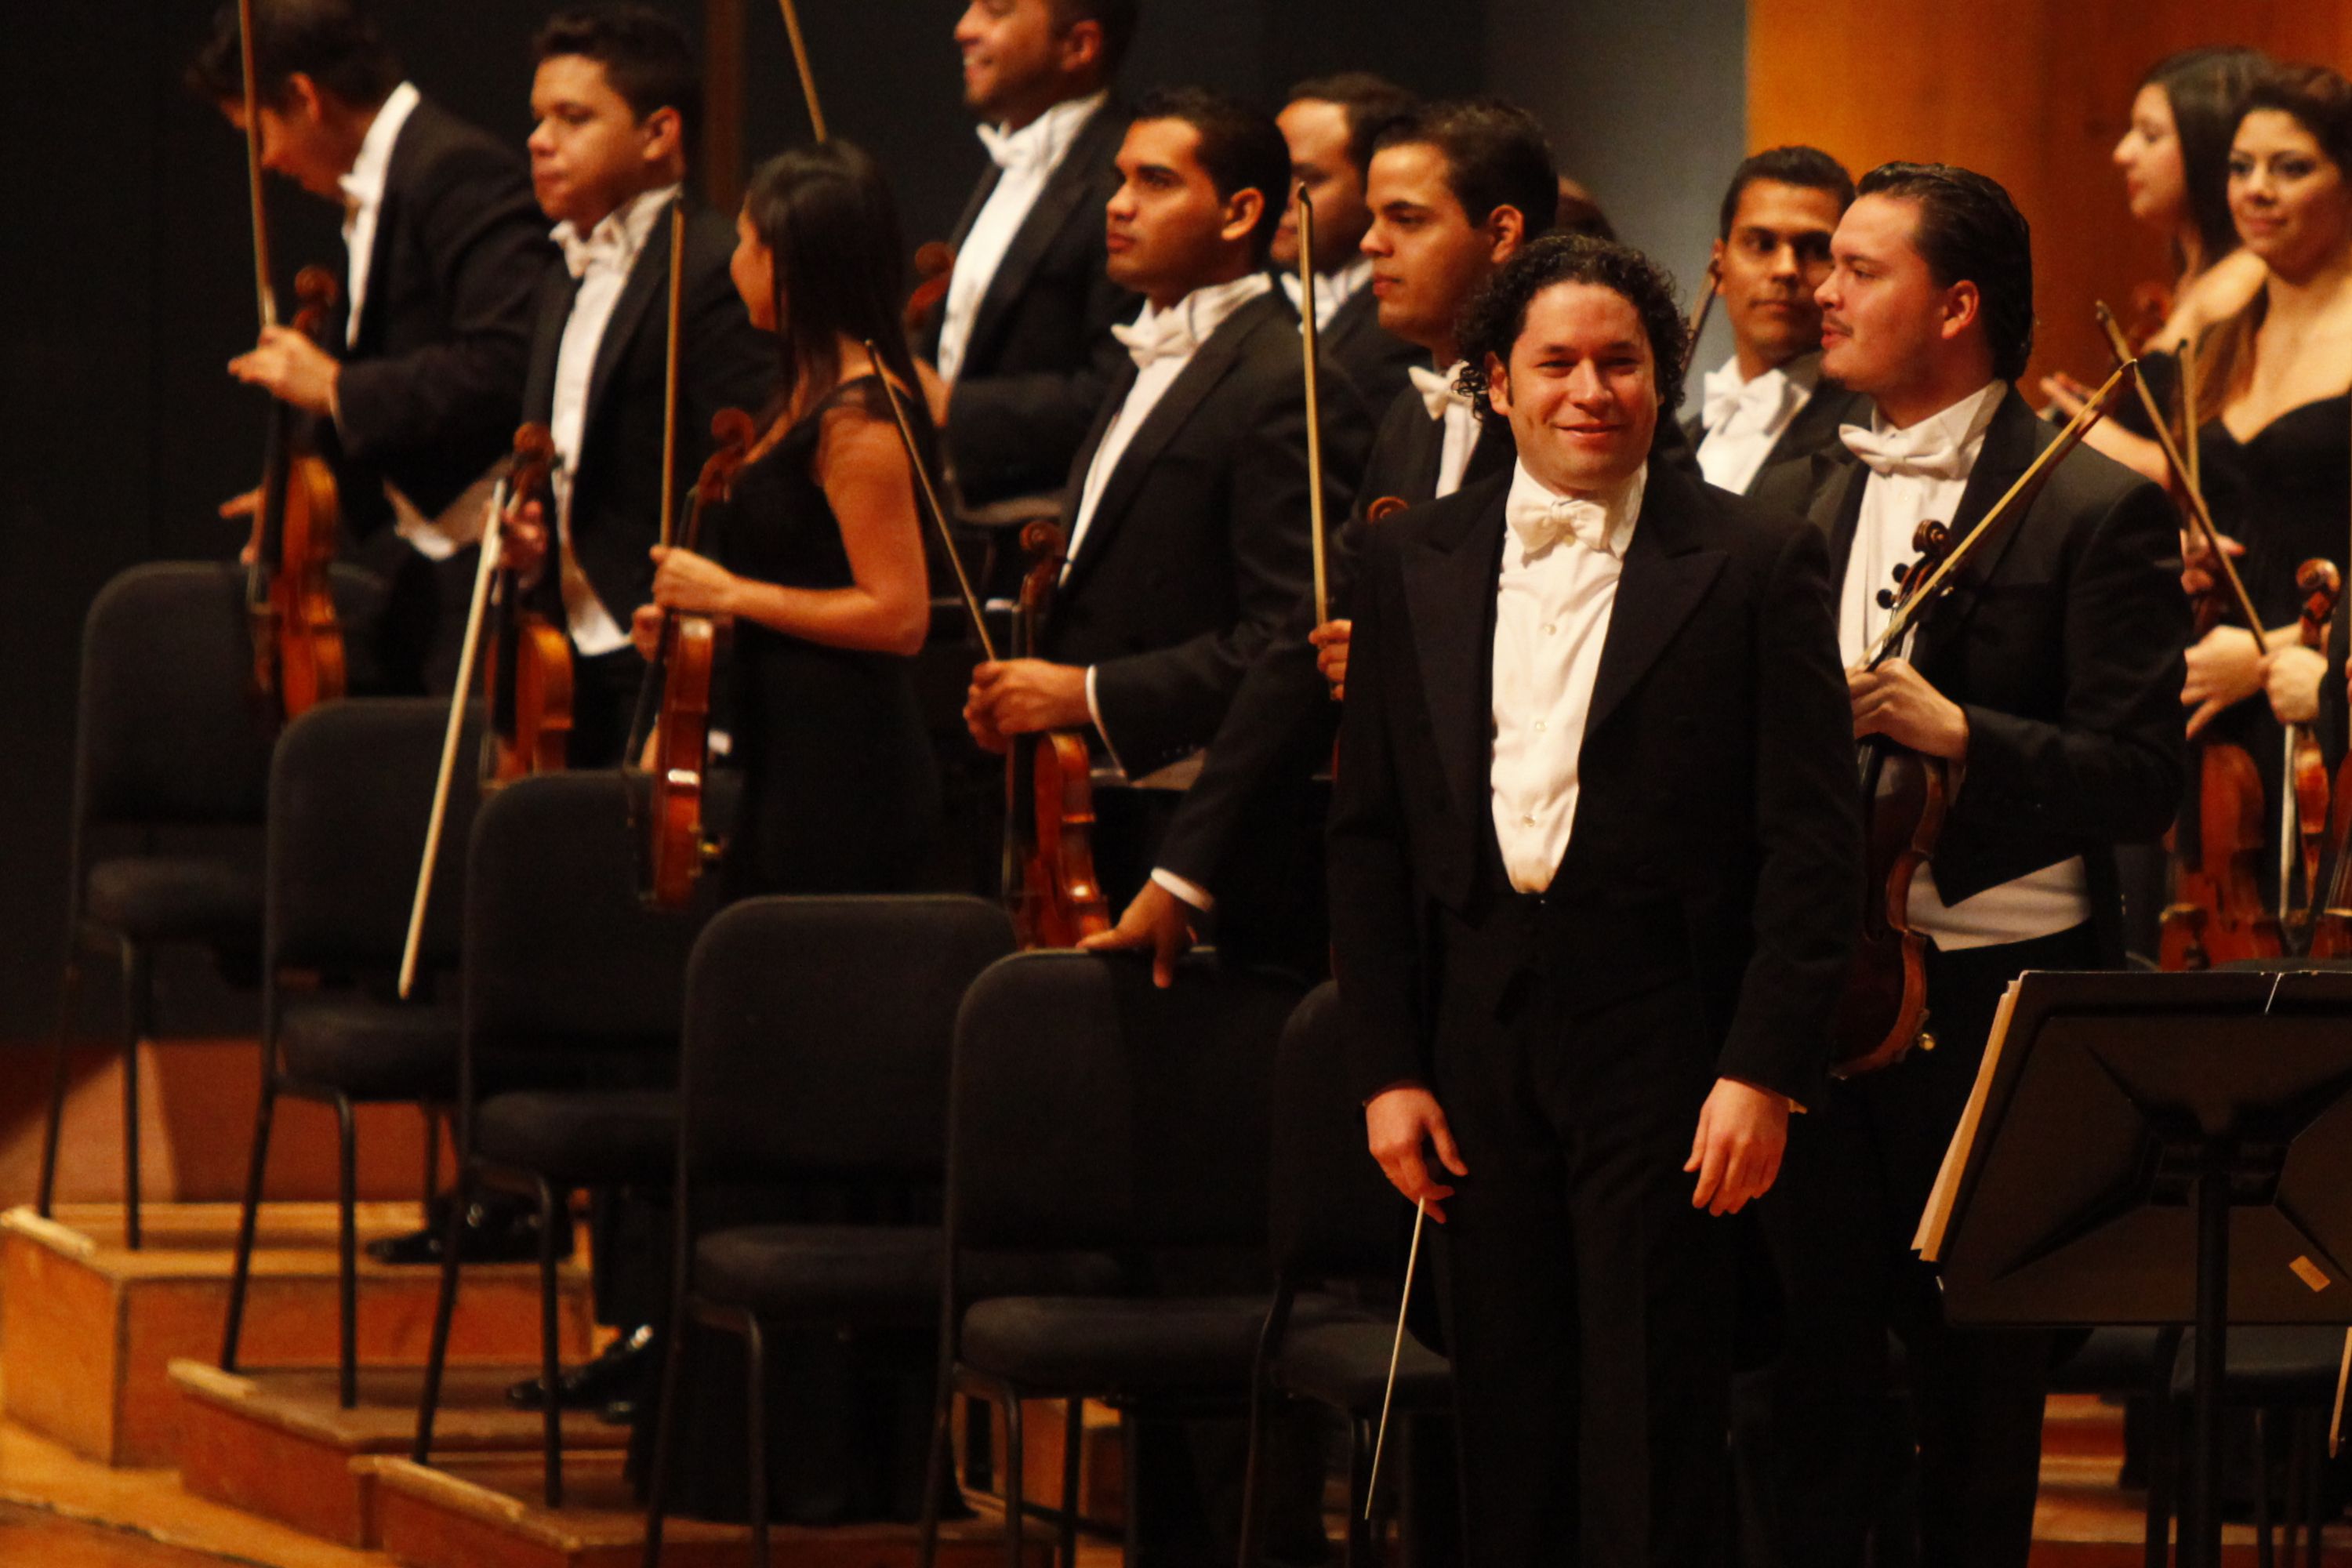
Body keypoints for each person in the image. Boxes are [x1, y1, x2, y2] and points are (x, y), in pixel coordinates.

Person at [1331, 233, 1861, 1566]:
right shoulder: (1409, 561)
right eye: (1555, 362)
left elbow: (1813, 846)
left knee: (1652, 1420)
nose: (1589, 389)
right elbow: (1370, 834)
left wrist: (1763, 1071)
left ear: (1661, 381)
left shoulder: (1755, 556)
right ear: (1496, 383)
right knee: (1501, 1415)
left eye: (1620, 362)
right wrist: (1387, 1067)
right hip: (1474, 1034)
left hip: (1665, 1040)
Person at [1744, 162, 2189, 1568]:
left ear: (1958, 305)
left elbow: (2139, 776)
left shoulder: (2091, 507)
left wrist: (1966, 735)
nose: (1822, 289)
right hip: (1821, 984)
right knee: (1811, 1372)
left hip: (1995, 996)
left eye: (1859, 268)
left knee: (1976, 1385)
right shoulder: (1801, 478)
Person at [1085, 96, 1557, 979]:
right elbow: (1295, 651)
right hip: (1413, 898)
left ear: (1501, 232)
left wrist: (1403, 653)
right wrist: (1184, 873)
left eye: (1405, 220)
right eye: (1373, 216)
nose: (1371, 242)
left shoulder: (1572, 426)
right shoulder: (1410, 427)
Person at [961, 86, 1370, 905]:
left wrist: (1083, 691)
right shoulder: (1144, 354)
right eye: (1119, 181)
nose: (1117, 207)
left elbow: (1282, 639)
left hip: (1194, 829)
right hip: (1094, 805)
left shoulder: (1287, 382)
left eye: (1155, 183)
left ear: (1238, 212)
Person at [190, 0, 550, 694]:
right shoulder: (392, 178)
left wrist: (333, 388)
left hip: (483, 564)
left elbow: (509, 362)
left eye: (258, 132)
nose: (265, 161)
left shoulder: (455, 170)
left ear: (304, 96)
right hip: (420, 566)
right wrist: (304, 497)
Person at [629, 142, 942, 900]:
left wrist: (728, 596)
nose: (733, 259)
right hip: (790, 752)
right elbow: (809, 580)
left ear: (788, 265)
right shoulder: (801, 393)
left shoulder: (861, 418)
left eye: (746, 242)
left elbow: (899, 615)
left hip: (846, 771)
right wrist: (715, 628)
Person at [501, 3, 770, 770]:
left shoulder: (717, 264)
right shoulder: (563, 268)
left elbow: (749, 471)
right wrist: (535, 537)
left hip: (660, 643)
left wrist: (704, 641)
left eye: (573, 117)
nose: (539, 140)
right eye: (538, 118)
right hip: (564, 642)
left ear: (659, 133)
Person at [2179, 63, 2352, 914]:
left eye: (2292, 167)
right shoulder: (2221, 334)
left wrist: (2284, 650)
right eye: (2242, 166)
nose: (2257, 190)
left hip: (2327, 695)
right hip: (2223, 700)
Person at [927, 0, 1139, 508]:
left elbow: (1119, 390)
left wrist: (951, 406)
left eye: (996, 11)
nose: (964, 29)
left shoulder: (1127, 175)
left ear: (1079, 46)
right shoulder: (1011, 153)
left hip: (1040, 522)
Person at [2040, 46, 2272, 484]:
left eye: (2150, 136)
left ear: (2212, 147)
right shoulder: (2202, 279)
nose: (2123, 153)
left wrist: (2088, 435)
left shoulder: (2243, 283)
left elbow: (2231, 479)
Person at [1687, 146, 1869, 502]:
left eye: (1817, 249)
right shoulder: (1677, 439)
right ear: (1718, 268)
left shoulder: (1868, 434)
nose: (1786, 269)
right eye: (1761, 244)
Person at [1272, 73, 1425, 411]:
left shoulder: (1414, 322)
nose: (1279, 197)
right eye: (1275, 173)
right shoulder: (1254, 294)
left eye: (1309, 178)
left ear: (1378, 181)